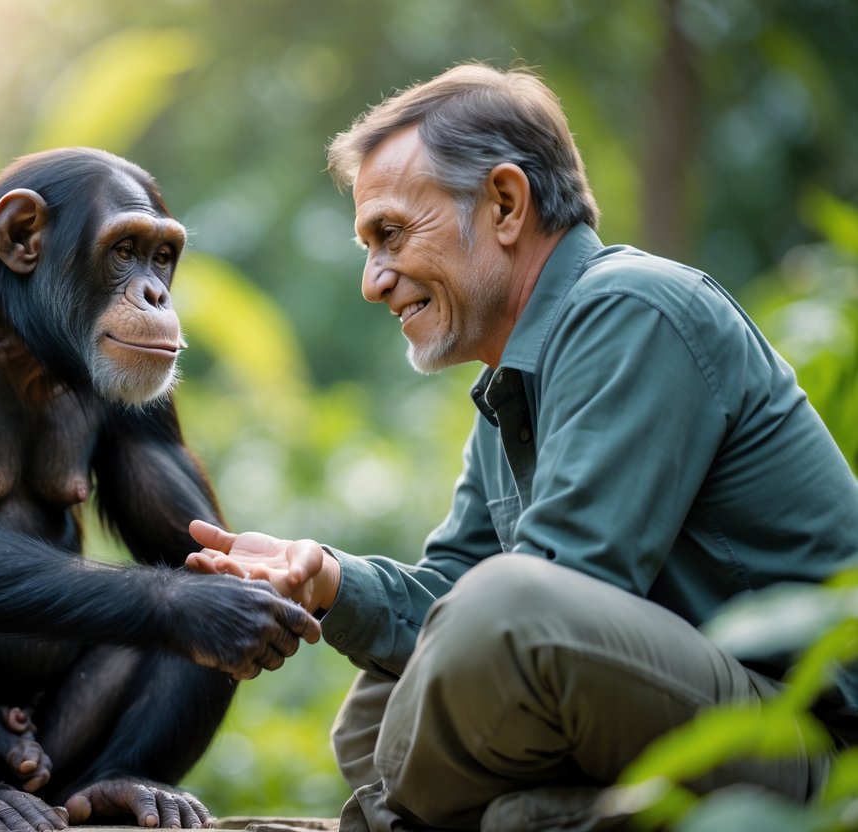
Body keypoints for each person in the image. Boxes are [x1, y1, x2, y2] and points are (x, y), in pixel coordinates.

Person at [185, 63, 858, 832]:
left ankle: (400, 824)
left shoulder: (635, 308)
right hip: (679, 718)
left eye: (391, 234)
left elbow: (544, 602)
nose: (373, 280)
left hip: (816, 750)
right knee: (376, 709)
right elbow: (459, 594)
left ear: (505, 204)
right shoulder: (515, 379)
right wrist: (330, 580)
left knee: (502, 611)